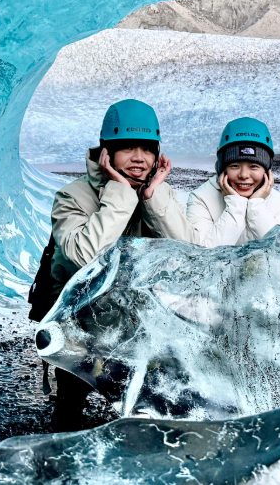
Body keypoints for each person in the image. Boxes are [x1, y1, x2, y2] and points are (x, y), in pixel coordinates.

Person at [42, 99, 192, 430]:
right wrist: (121, 194)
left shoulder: (157, 195)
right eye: (127, 147)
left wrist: (153, 198)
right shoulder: (72, 197)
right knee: (70, 410)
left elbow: (190, 255)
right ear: (106, 152)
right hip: (78, 323)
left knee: (153, 405)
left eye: (147, 149)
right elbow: (84, 257)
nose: (139, 157)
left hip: (134, 323)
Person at [186, 117, 280, 247]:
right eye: (235, 166)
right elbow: (203, 253)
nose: (243, 175)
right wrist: (235, 206)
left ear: (267, 171)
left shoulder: (278, 202)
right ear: (221, 168)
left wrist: (257, 206)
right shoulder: (201, 198)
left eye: (254, 166)